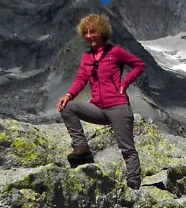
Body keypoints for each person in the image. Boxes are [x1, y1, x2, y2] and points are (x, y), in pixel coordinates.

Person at [57, 14, 146, 189]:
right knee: (67, 107)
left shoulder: (116, 52)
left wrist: (124, 84)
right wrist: (68, 95)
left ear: (102, 32)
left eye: (93, 32)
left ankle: (134, 185)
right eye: (86, 32)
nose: (89, 36)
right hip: (97, 108)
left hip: (118, 107)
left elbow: (139, 65)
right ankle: (82, 149)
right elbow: (80, 79)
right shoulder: (86, 58)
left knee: (127, 148)